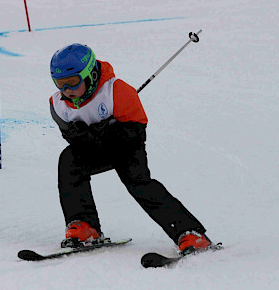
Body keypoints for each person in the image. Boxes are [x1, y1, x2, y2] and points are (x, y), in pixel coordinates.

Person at [49, 43, 212, 253]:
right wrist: (82, 136)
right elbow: (68, 134)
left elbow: (138, 128)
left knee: (139, 183)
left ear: (89, 75)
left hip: (127, 148)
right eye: (60, 84)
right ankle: (84, 225)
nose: (66, 91)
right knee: (69, 161)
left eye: (72, 82)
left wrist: (109, 134)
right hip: (94, 149)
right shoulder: (58, 104)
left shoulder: (116, 91)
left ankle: (190, 232)